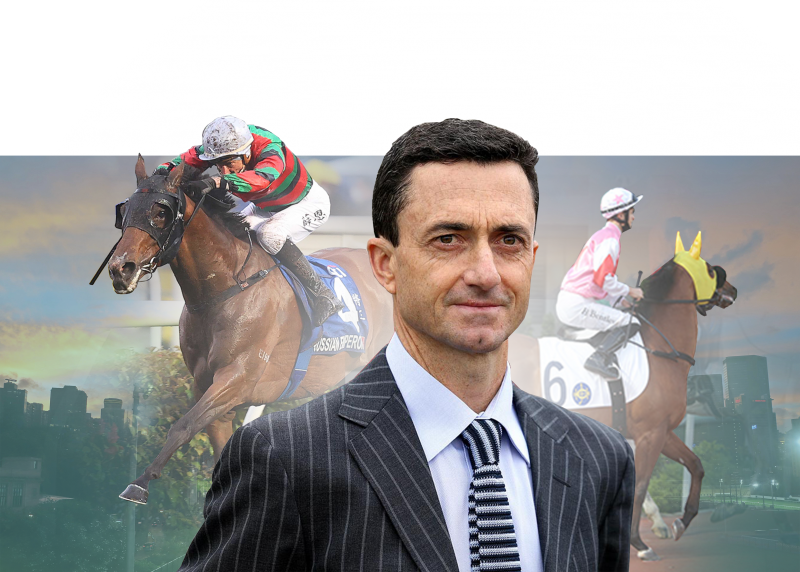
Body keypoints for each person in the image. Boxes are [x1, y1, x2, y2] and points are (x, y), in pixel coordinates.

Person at [177, 119, 634, 572]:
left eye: (509, 240)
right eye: (448, 239)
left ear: (531, 259)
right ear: (385, 265)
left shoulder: (602, 457)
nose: (486, 273)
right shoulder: (277, 457)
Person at [155, 115, 343, 327]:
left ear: (246, 153)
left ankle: (322, 294)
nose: (225, 171)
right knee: (233, 235)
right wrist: (163, 170)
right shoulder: (224, 143)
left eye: (229, 164)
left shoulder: (270, 147)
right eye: (218, 166)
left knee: (269, 236)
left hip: (306, 203)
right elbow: (188, 158)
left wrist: (217, 181)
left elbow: (263, 178)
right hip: (265, 206)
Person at [556, 188, 644, 379]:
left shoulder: (603, 236)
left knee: (620, 318)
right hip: (578, 305)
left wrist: (620, 301)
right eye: (632, 212)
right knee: (631, 322)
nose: (634, 217)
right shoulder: (610, 239)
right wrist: (631, 291)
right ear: (621, 214)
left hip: (574, 301)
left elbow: (599, 282)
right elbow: (603, 279)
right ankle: (599, 359)